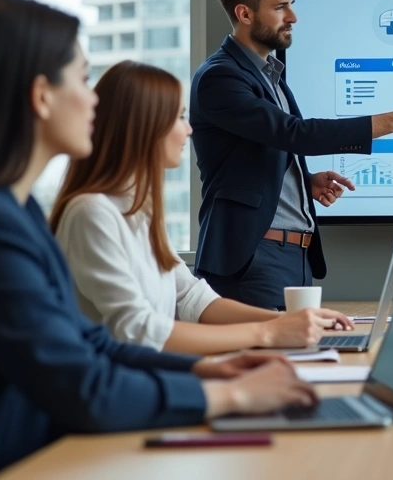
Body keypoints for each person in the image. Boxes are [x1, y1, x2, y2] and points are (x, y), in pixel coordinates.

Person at [0, 0, 318, 478]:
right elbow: (82, 386)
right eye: (81, 79)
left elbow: (87, 344)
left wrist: (206, 371)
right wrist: (232, 395)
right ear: (41, 96)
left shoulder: (13, 214)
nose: (94, 99)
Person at [52, 60, 355, 356]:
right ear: (143, 126)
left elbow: (192, 298)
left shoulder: (138, 211)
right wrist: (268, 333)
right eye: (179, 117)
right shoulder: (91, 213)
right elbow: (138, 330)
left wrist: (288, 321)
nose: (189, 130)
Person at [191, 0, 393, 310]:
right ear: (245, 14)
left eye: (291, 5)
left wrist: (299, 182)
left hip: (294, 256)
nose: (293, 17)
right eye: (280, 8)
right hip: (254, 258)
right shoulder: (220, 78)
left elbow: (259, 151)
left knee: (302, 360)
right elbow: (294, 133)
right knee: (269, 362)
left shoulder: (268, 75)